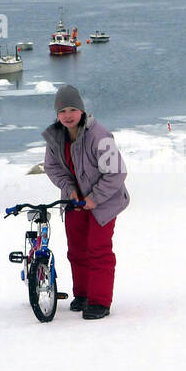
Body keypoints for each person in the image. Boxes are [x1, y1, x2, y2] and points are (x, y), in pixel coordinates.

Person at [42, 85, 129, 319]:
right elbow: (52, 168)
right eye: (62, 111)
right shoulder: (56, 137)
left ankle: (99, 301)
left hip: (105, 201)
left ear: (82, 110)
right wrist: (69, 189)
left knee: (98, 250)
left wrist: (94, 198)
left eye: (72, 109)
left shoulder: (100, 136)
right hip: (75, 202)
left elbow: (117, 173)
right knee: (77, 250)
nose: (68, 115)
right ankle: (82, 294)